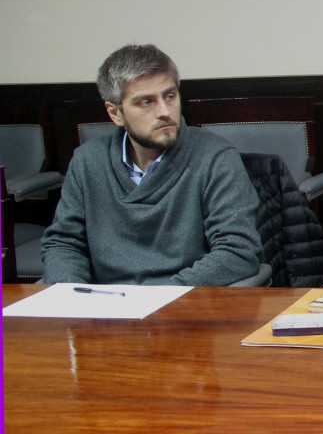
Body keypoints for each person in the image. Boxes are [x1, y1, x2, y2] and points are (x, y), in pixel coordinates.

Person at [42, 45, 262, 285]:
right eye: (146, 102)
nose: (165, 112)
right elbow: (64, 242)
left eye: (170, 96)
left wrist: (159, 298)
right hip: (105, 308)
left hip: (182, 305)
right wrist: (72, 295)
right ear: (115, 113)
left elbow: (237, 252)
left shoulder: (215, 157)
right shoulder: (88, 160)